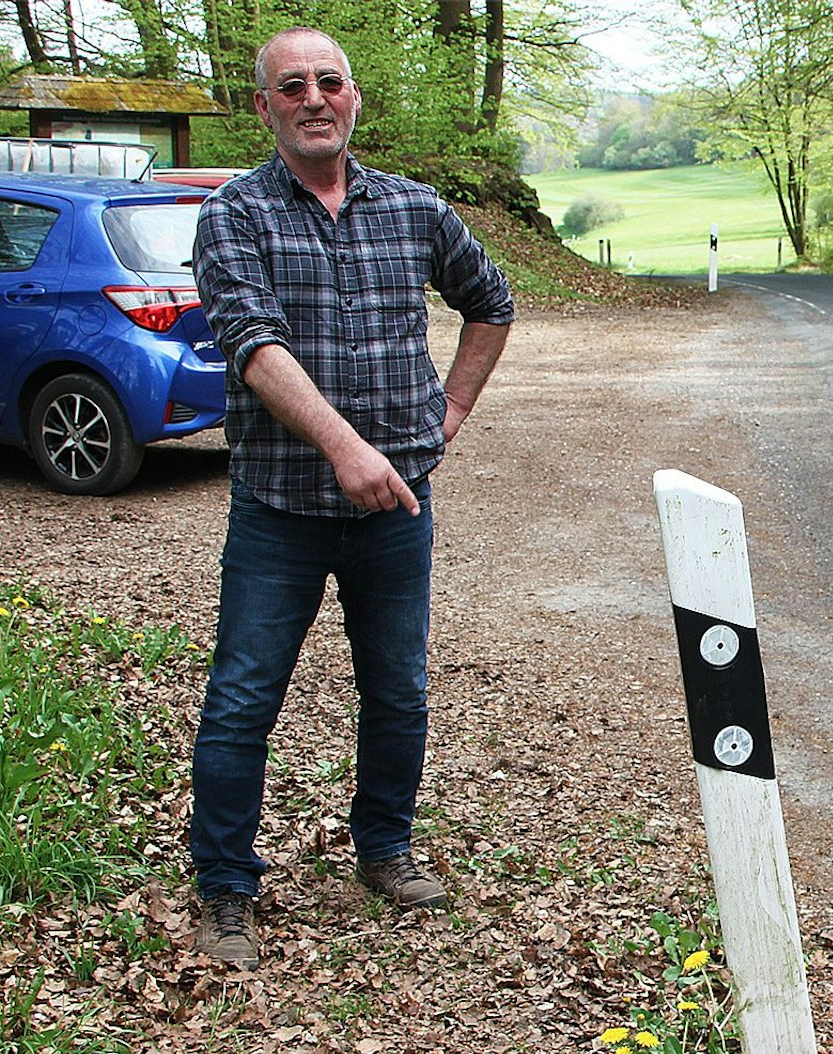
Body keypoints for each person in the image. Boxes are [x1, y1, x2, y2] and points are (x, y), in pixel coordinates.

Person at [188, 26, 515, 969]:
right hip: (279, 508)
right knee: (243, 698)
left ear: (355, 98)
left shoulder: (414, 209)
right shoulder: (235, 215)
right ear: (265, 107)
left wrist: (446, 412)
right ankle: (225, 889)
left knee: (399, 687)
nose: (314, 98)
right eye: (292, 86)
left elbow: (490, 301)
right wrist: (345, 447)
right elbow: (253, 345)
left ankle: (383, 849)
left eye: (329, 81)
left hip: (394, 509)